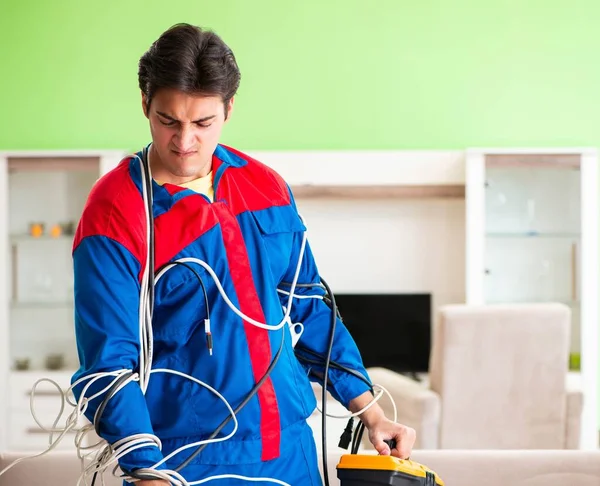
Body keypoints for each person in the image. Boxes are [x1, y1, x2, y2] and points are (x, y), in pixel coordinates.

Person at [71, 23, 415, 486]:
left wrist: (371, 411)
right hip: (185, 462)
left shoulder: (265, 186)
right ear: (145, 105)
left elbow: (310, 308)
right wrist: (146, 469)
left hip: (290, 451)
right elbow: (108, 360)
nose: (185, 142)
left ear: (229, 108)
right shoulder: (116, 209)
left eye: (203, 123)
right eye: (168, 121)